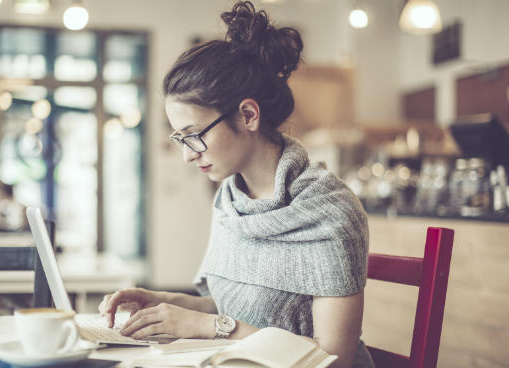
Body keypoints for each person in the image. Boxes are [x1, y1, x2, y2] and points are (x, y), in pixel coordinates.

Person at [99, 2, 374, 367]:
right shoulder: (230, 200)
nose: (188, 155)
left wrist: (209, 325)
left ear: (247, 115)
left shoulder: (331, 213)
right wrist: (165, 303)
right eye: (180, 139)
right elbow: (237, 311)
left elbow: (333, 357)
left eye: (194, 135)